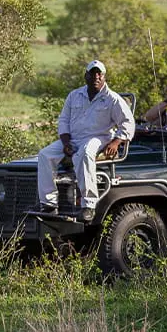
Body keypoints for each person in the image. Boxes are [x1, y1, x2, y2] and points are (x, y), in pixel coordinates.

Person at [36, 60, 135, 220]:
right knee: (44, 155)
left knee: (85, 152)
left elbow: (128, 123)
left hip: (99, 138)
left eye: (99, 74)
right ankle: (49, 204)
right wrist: (66, 142)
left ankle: (88, 205)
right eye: (93, 73)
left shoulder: (113, 99)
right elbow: (63, 121)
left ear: (104, 77)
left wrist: (116, 142)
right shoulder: (74, 95)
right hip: (73, 139)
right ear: (86, 76)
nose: (96, 77)